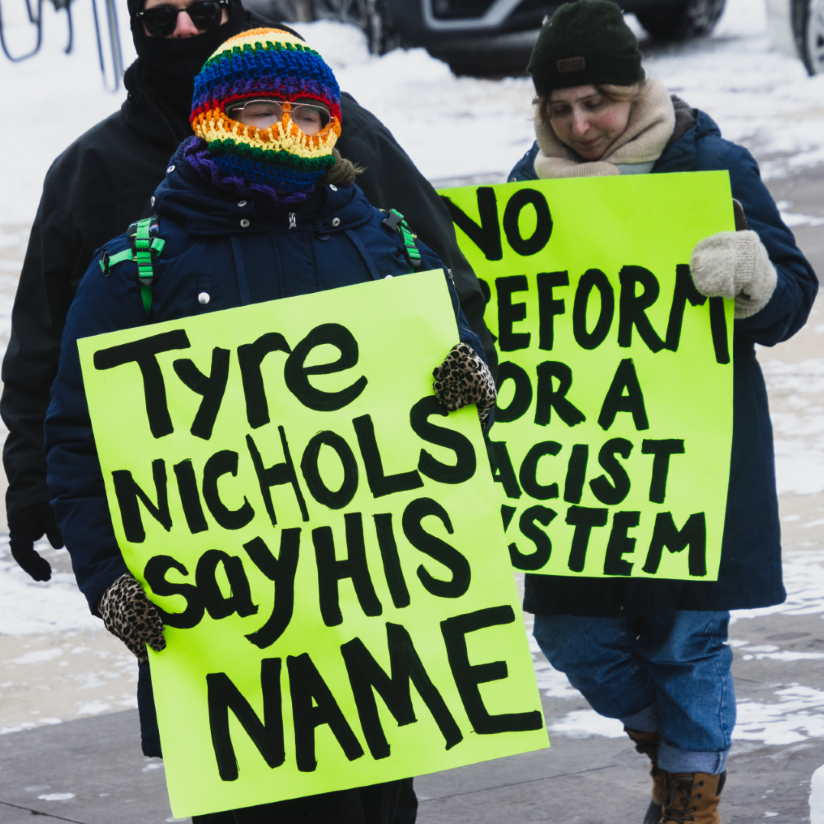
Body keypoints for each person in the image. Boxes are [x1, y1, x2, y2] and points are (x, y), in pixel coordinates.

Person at [44, 26, 495, 824]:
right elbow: (79, 447)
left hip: (380, 644)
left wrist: (475, 377)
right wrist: (109, 579)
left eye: (309, 117)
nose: (286, 132)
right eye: (258, 111)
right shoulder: (132, 276)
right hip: (235, 660)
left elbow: (465, 360)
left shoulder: (384, 245)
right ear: (212, 120)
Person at [1, 0, 495, 585]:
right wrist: (42, 490)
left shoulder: (370, 208)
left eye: (202, 12)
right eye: (161, 20)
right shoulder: (104, 201)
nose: (285, 132)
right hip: (217, 582)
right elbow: (55, 359)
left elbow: (447, 305)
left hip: (376, 568)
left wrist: (476, 375)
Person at [508, 2, 817, 823]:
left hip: (696, 459)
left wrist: (754, 280)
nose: (581, 124)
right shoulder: (524, 190)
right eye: (559, 110)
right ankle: (671, 753)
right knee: (571, 635)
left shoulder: (712, 165)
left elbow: (789, 304)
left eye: (597, 102)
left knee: (686, 638)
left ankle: (690, 799)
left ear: (636, 89)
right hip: (582, 469)